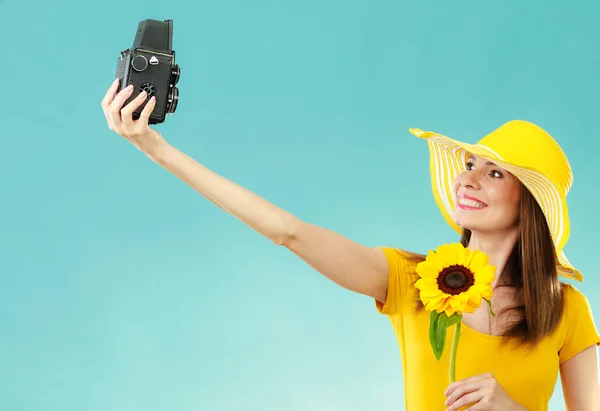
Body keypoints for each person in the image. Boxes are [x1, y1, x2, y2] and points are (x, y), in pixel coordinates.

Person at [101, 80, 600, 411]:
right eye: (469, 164)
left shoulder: (568, 312)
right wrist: (156, 148)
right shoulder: (410, 280)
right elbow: (286, 230)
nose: (470, 179)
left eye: (495, 173)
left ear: (529, 206)